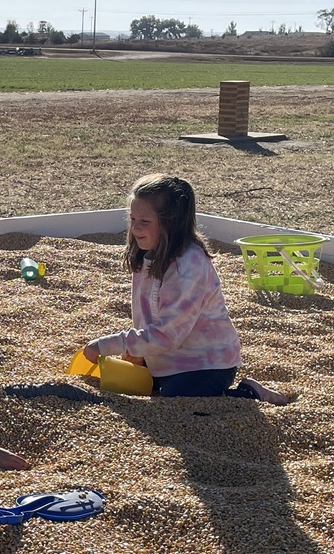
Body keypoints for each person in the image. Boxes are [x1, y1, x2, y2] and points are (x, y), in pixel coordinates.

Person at [82, 173, 292, 405]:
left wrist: (107, 345)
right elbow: (149, 317)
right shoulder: (147, 254)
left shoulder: (188, 266)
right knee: (137, 384)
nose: (134, 228)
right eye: (132, 219)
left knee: (177, 399)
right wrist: (138, 352)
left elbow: (167, 334)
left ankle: (249, 392)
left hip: (207, 363)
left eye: (144, 222)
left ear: (171, 223)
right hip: (165, 358)